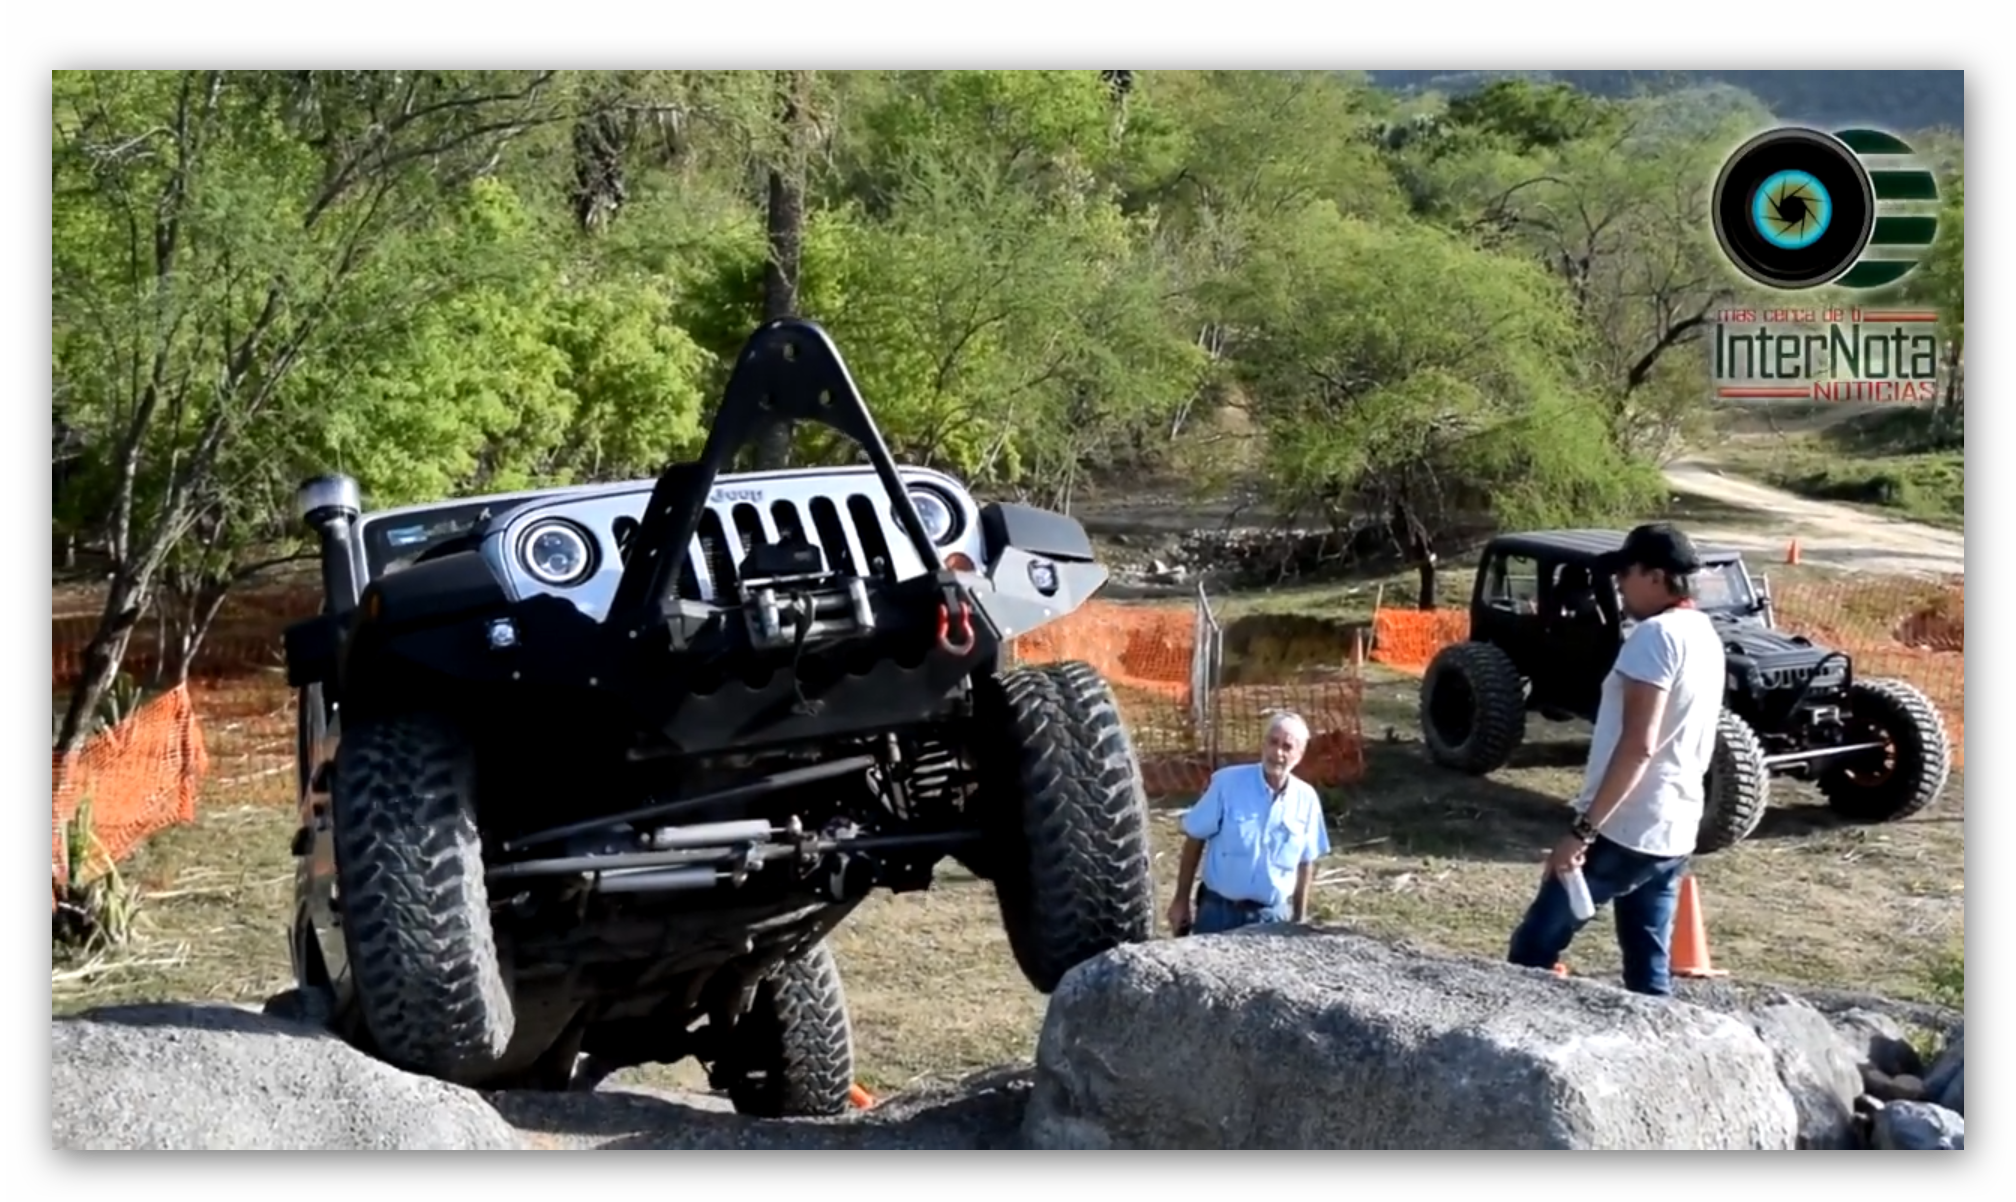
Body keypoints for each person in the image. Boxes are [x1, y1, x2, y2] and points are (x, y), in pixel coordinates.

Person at [1507, 523, 1728, 996]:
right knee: (1648, 968)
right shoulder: (1704, 633)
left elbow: (1638, 745)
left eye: (1625, 573)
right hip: (1674, 827)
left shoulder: (1655, 638)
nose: (1618, 585)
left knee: (1531, 950)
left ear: (1654, 575)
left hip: (1627, 826)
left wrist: (1582, 831)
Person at [1167, 712, 1332, 936]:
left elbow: (1305, 863)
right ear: (1263, 744)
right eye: (1272, 742)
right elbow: (1194, 838)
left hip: (1270, 920)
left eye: (1287, 747)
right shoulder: (1227, 784)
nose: (1277, 753)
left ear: (1300, 755)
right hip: (1218, 914)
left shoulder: (1307, 799)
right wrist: (1181, 900)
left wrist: (1299, 920)